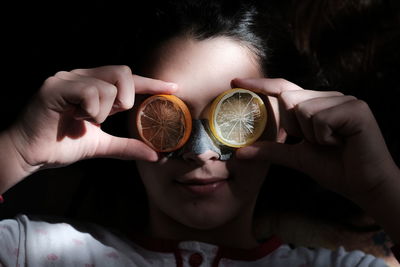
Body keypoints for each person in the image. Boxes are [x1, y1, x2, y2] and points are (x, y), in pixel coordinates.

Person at [0, 0, 399, 266]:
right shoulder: (30, 251)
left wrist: (383, 190)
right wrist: (14, 153)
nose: (201, 152)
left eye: (236, 116)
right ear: (130, 120)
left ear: (279, 125)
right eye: (170, 119)